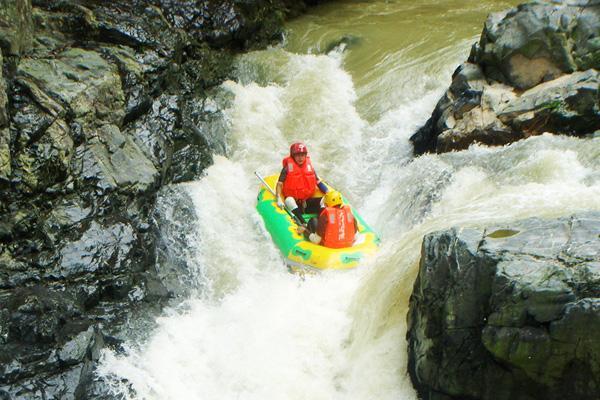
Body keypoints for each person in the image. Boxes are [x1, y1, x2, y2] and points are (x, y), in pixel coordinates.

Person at [276, 142, 329, 225]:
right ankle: (303, 223)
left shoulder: (310, 167)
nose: (300, 158)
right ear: (293, 156)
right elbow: (279, 184)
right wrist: (278, 198)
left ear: (305, 155)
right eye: (298, 155)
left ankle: (321, 222)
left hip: (306, 201)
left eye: (302, 155)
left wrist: (327, 191)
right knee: (289, 200)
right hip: (294, 203)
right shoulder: (287, 169)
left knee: (325, 199)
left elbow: (318, 181)